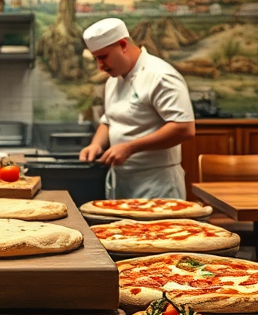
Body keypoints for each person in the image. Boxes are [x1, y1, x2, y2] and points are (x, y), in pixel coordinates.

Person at [78, 17, 195, 199]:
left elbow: (184, 129)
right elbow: (109, 120)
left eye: (103, 57)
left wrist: (129, 148)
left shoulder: (160, 75)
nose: (100, 67)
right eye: (96, 59)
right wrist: (95, 144)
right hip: (122, 180)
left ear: (123, 45)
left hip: (157, 184)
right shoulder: (113, 81)